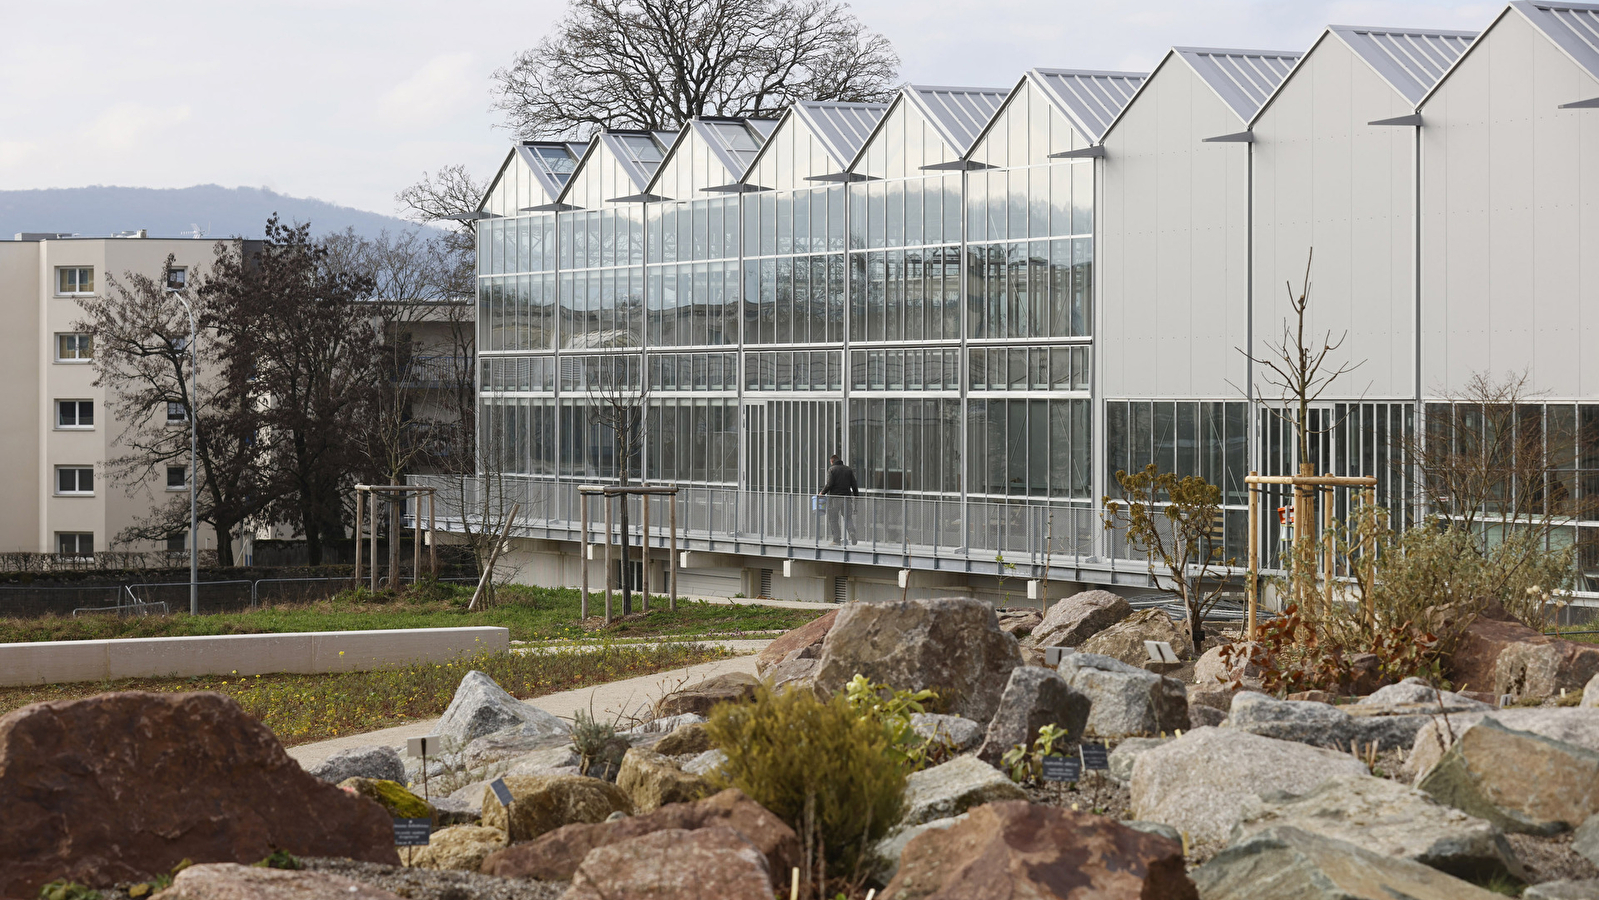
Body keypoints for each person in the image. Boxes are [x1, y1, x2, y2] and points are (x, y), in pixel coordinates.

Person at [816, 454, 859, 545]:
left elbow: (829, 484)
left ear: (831, 461)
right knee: (848, 518)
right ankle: (852, 532)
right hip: (847, 498)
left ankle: (836, 540)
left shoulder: (832, 469)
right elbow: (854, 485)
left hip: (835, 499)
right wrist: (856, 496)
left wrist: (822, 493)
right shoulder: (848, 470)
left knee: (833, 519)